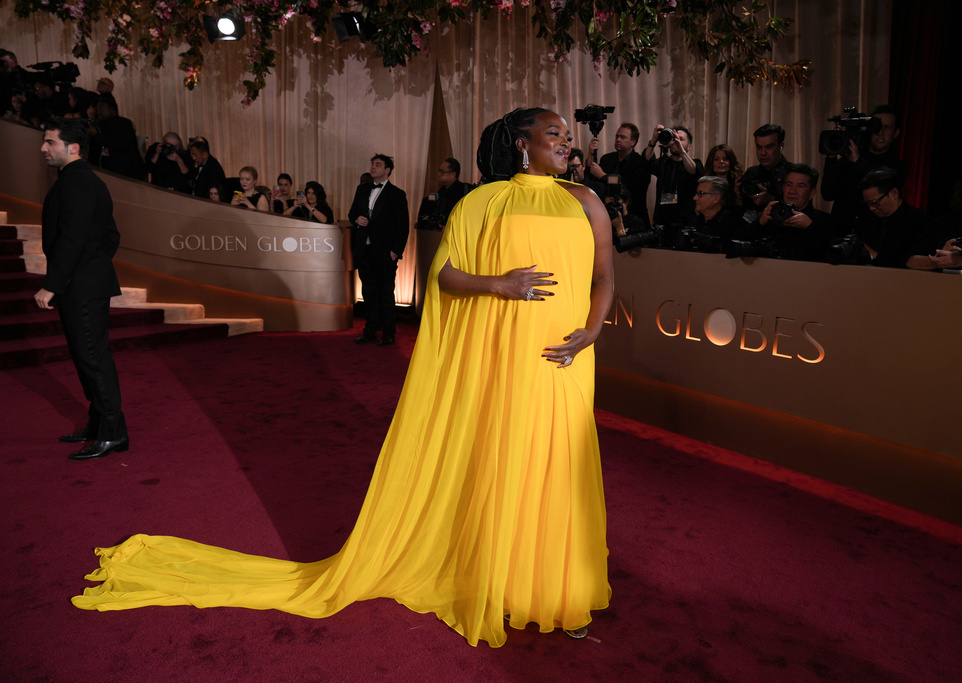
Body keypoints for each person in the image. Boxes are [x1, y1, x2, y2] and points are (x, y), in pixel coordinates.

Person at [70, 107, 613, 648]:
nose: (566, 142)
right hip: (504, 355)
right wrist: (498, 284)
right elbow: (444, 274)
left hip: (566, 358)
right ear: (522, 144)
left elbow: (605, 276)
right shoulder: (482, 201)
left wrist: (591, 331)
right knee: (506, 460)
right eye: (554, 134)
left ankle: (561, 590)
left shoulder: (586, 200)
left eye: (567, 136)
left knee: (561, 464)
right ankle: (503, 582)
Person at [34, 118, 129, 461]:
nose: (43, 148)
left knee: (93, 359)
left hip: (82, 287)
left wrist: (52, 284)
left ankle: (114, 434)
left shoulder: (77, 182)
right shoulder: (81, 180)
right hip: (83, 283)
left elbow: (72, 239)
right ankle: (99, 423)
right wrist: (93, 266)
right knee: (86, 357)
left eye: (50, 142)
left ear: (73, 147)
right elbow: (110, 237)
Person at [347, 154, 410, 346]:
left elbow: (403, 226)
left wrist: (395, 252)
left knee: (386, 293)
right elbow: (352, 213)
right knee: (369, 292)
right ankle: (370, 330)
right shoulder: (362, 189)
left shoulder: (397, 194)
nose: (373, 167)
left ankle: (389, 332)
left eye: (378, 164)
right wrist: (356, 219)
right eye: (372, 164)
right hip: (364, 250)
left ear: (387, 170)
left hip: (384, 252)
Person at [821, 105, 910, 219]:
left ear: (896, 133)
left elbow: (882, 184)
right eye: (876, 127)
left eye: (887, 127)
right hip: (841, 226)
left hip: (873, 227)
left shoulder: (899, 166)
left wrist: (858, 162)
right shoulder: (848, 159)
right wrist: (831, 156)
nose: (880, 132)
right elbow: (828, 194)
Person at [752, 163, 835, 262]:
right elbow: (739, 245)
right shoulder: (769, 216)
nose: (792, 191)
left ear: (811, 193)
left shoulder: (824, 222)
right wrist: (759, 223)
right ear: (783, 188)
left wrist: (810, 227)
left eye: (800, 186)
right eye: (789, 185)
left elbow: (832, 257)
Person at [855, 167, 931, 268]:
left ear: (894, 193)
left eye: (875, 202)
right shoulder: (867, 218)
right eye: (867, 203)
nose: (871, 208)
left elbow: (907, 261)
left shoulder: (918, 220)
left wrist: (871, 253)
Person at [585, 122, 652, 227]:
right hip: (608, 217)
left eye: (623, 137)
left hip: (633, 219)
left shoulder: (640, 162)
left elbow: (628, 187)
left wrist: (603, 176)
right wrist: (590, 154)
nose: (618, 140)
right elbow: (592, 182)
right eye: (617, 136)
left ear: (633, 141)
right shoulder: (607, 159)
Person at [643, 124, 703, 228]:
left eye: (681, 139)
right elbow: (646, 161)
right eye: (674, 138)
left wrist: (681, 151)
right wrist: (653, 141)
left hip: (685, 222)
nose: (677, 141)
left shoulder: (695, 163)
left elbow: (693, 170)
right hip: (662, 221)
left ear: (689, 147)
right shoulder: (664, 162)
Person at [86, 94, 145, 179]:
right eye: (98, 109)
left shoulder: (123, 123)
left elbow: (120, 143)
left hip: (126, 172)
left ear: (112, 108)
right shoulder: (101, 125)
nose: (99, 112)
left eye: (102, 108)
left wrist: (97, 135)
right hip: (106, 172)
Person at [739, 123, 789, 222]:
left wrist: (771, 200)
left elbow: (800, 208)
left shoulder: (793, 174)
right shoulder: (751, 173)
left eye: (769, 147)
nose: (763, 153)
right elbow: (742, 212)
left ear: (781, 146)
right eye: (759, 147)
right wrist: (738, 196)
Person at [415, 158, 472, 231]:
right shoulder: (441, 190)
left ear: (453, 174)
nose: (438, 174)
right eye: (438, 171)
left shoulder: (463, 190)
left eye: (442, 172)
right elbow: (429, 201)